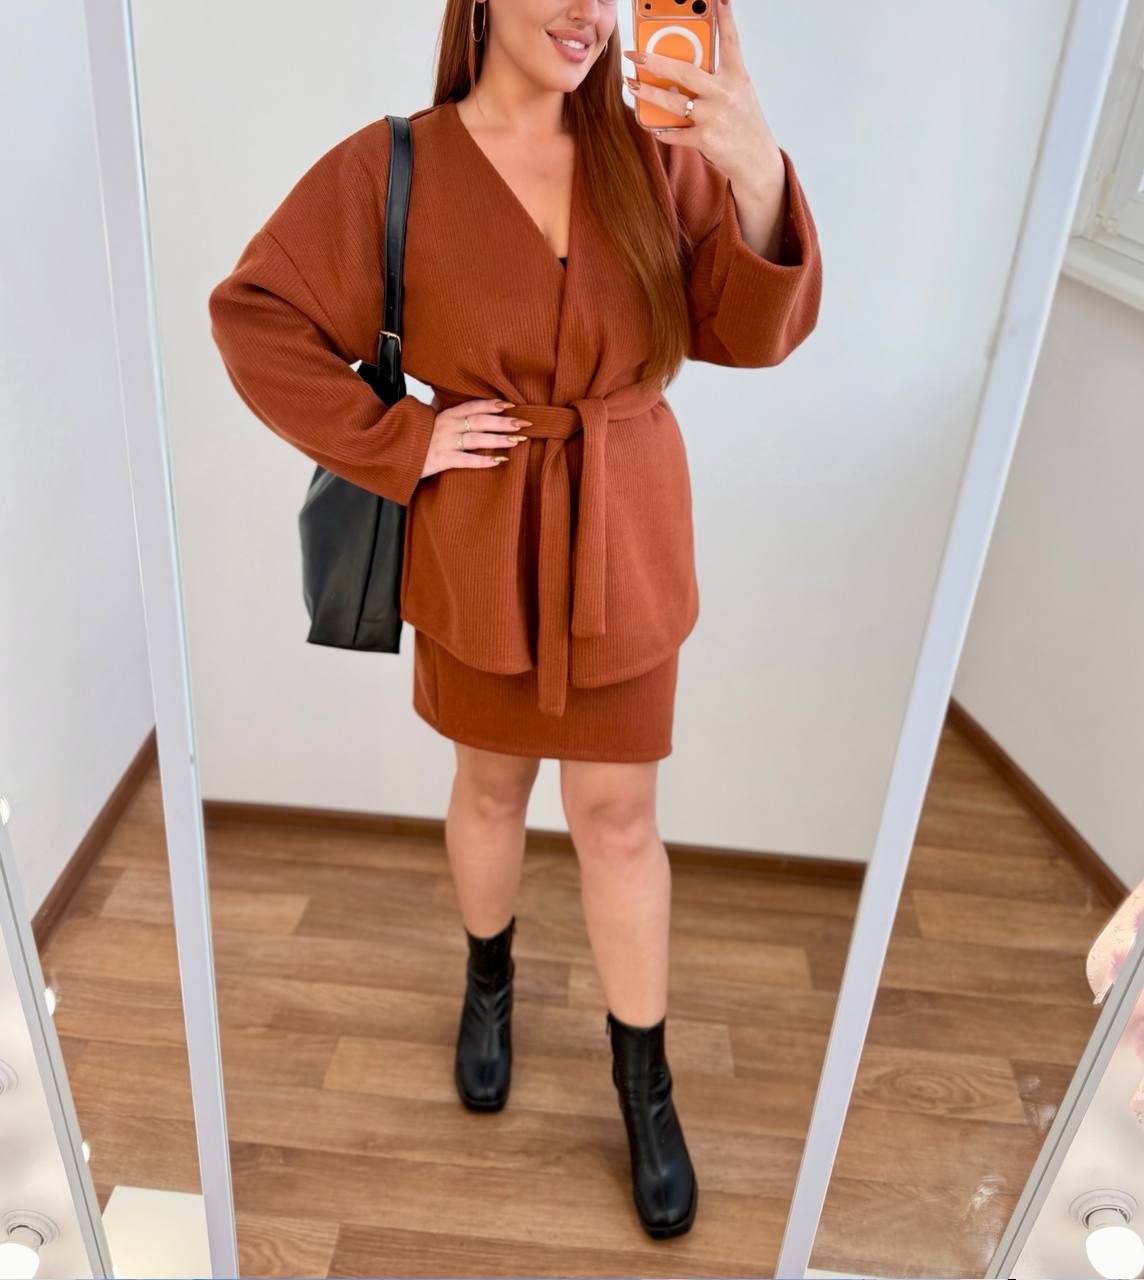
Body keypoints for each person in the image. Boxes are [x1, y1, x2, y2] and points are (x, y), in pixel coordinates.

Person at [208, 0, 822, 1240]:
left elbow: (753, 332)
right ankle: (487, 981)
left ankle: (643, 1081)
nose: (587, 15)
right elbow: (254, 313)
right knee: (490, 788)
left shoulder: (654, 151)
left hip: (625, 532)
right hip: (483, 536)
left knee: (619, 817)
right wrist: (402, 438)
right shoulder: (394, 165)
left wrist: (753, 164)